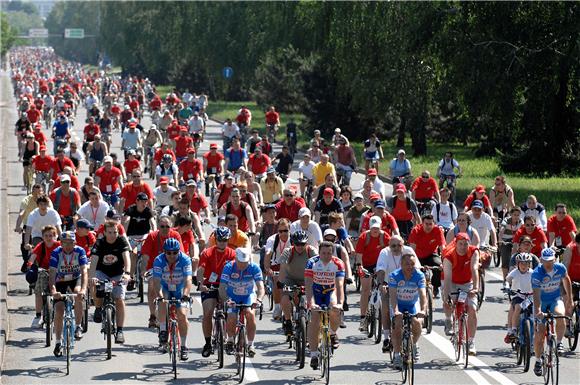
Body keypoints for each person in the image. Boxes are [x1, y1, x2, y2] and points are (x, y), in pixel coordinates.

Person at [532, 248, 573, 375]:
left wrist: (570, 299)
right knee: (540, 334)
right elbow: (536, 294)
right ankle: (538, 360)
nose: (548, 263)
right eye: (546, 261)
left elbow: (566, 280)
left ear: (555, 259)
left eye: (551, 260)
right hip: (541, 302)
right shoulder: (536, 273)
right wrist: (538, 310)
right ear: (542, 260)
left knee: (560, 315)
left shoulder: (560, 268)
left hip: (555, 299)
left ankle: (559, 343)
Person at [305, 241, 345, 369]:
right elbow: (308, 284)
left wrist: (340, 304)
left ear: (332, 253)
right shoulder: (312, 262)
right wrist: (310, 303)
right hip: (316, 292)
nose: (326, 256)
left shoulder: (338, 263)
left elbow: (339, 286)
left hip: (330, 291)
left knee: (334, 309)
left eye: (329, 253)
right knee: (314, 319)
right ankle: (314, 355)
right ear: (319, 252)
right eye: (323, 253)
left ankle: (332, 333)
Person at [197, 227, 236, 357]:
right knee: (208, 312)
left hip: (226, 285)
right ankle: (208, 343)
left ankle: (230, 339)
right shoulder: (207, 253)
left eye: (225, 240)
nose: (222, 242)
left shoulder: (232, 253)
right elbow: (201, 270)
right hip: (210, 284)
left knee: (231, 311)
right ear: (215, 239)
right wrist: (200, 284)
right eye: (219, 240)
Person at [376, 236, 420, 352]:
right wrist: (381, 284)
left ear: (403, 244)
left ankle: (413, 342)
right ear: (389, 245)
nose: (396, 248)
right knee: (385, 306)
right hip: (389, 285)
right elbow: (381, 271)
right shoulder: (384, 253)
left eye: (399, 245)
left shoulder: (408, 251)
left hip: (407, 286)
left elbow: (417, 268)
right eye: (393, 246)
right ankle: (386, 338)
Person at [89, 222, 131, 344]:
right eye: (110, 232)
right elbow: (94, 261)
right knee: (96, 288)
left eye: (115, 232)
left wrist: (127, 273)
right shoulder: (100, 243)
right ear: (105, 233)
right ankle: (97, 307)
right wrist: (92, 277)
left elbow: (126, 257)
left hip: (117, 274)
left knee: (119, 299)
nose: (113, 235)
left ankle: (120, 331)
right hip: (102, 272)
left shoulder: (121, 241)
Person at [152, 238, 193, 361]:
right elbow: (156, 282)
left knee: (182, 316)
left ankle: (184, 346)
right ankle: (163, 330)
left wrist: (185, 295)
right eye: (168, 253)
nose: (171, 255)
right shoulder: (159, 260)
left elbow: (188, 280)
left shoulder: (185, 259)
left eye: (175, 252)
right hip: (165, 287)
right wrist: (159, 296)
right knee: (163, 300)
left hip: (179, 289)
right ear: (164, 252)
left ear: (178, 251)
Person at [48, 232, 88, 357]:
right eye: (64, 243)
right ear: (61, 243)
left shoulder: (80, 251)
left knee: (78, 294)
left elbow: (84, 271)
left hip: (76, 278)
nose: (67, 246)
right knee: (59, 309)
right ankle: (58, 342)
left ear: (74, 243)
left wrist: (84, 289)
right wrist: (54, 291)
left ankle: (78, 326)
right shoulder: (56, 253)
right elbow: (52, 274)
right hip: (60, 281)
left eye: (70, 243)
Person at [220, 248, 264, 358]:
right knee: (231, 316)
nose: (243, 265)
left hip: (248, 296)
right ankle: (230, 340)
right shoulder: (229, 267)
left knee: (250, 314)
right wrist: (227, 300)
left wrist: (258, 300)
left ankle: (250, 344)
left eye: (245, 262)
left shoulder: (254, 267)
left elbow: (261, 287)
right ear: (236, 259)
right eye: (241, 262)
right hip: (232, 296)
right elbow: (222, 288)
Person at [141, 216, 184, 328]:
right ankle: (153, 315)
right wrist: (143, 270)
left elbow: (182, 254)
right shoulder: (152, 236)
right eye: (162, 226)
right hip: (154, 267)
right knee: (151, 287)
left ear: (171, 227)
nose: (165, 228)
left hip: (172, 267)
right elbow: (145, 256)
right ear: (158, 226)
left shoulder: (175, 235)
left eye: (167, 226)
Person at [442, 233, 480, 355]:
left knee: (472, 309)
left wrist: (475, 288)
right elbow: (447, 278)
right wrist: (447, 295)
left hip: (467, 282)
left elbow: (474, 269)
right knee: (448, 300)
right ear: (456, 244)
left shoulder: (474, 251)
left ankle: (471, 341)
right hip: (452, 281)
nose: (463, 247)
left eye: (466, 244)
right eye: (460, 244)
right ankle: (448, 319)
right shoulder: (449, 256)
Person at [389, 253, 427, 368]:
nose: (410, 266)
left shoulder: (419, 275)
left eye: (412, 264)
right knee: (397, 325)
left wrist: (423, 310)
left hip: (412, 304)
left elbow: (422, 295)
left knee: (417, 323)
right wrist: (396, 311)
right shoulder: (394, 275)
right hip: (398, 304)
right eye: (407, 264)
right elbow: (393, 296)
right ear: (401, 264)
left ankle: (413, 344)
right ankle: (396, 355)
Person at [279, 231, 318, 336]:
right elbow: (282, 268)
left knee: (313, 303)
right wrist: (281, 282)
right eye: (297, 244)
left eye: (303, 244)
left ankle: (310, 326)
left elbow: (318, 266)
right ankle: (287, 321)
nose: (300, 246)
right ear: (293, 243)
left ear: (307, 243)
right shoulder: (288, 251)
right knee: (285, 298)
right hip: (291, 279)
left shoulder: (312, 251)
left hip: (308, 279)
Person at [355, 216, 391, 331]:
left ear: (380, 227)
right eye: (373, 228)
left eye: (377, 228)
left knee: (386, 288)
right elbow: (359, 256)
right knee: (365, 289)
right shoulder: (364, 237)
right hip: (367, 265)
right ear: (370, 227)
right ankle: (363, 318)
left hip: (381, 265)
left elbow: (391, 252)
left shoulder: (385, 236)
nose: (375, 230)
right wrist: (360, 267)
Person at [26, 225, 61, 328]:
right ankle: (38, 316)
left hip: (58, 271)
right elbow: (32, 257)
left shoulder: (59, 246)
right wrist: (30, 265)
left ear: (55, 236)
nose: (48, 238)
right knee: (38, 291)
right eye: (46, 236)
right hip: (44, 271)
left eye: (51, 235)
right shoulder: (41, 246)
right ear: (43, 236)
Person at [408, 214, 446, 297]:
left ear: (433, 224)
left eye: (430, 224)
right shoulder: (416, 231)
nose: (428, 226)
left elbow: (443, 248)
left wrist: (444, 262)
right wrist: (412, 263)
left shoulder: (438, 230)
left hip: (431, 254)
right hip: (418, 256)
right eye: (426, 224)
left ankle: (435, 286)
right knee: (417, 273)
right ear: (422, 223)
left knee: (438, 266)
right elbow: (412, 250)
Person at [503, 253, 533, 343]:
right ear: (518, 264)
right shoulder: (515, 272)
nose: (524, 266)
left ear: (529, 264)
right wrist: (507, 287)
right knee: (517, 307)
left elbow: (538, 281)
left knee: (535, 313)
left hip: (530, 296)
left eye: (526, 263)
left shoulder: (532, 272)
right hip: (518, 295)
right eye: (521, 263)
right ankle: (514, 330)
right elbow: (507, 280)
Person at [498, 207, 524, 284]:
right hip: (506, 240)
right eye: (514, 215)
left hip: (516, 241)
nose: (516, 217)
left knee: (520, 257)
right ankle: (505, 280)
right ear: (511, 215)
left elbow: (522, 232)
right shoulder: (506, 220)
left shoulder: (521, 222)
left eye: (518, 215)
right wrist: (500, 240)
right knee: (505, 260)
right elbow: (502, 230)